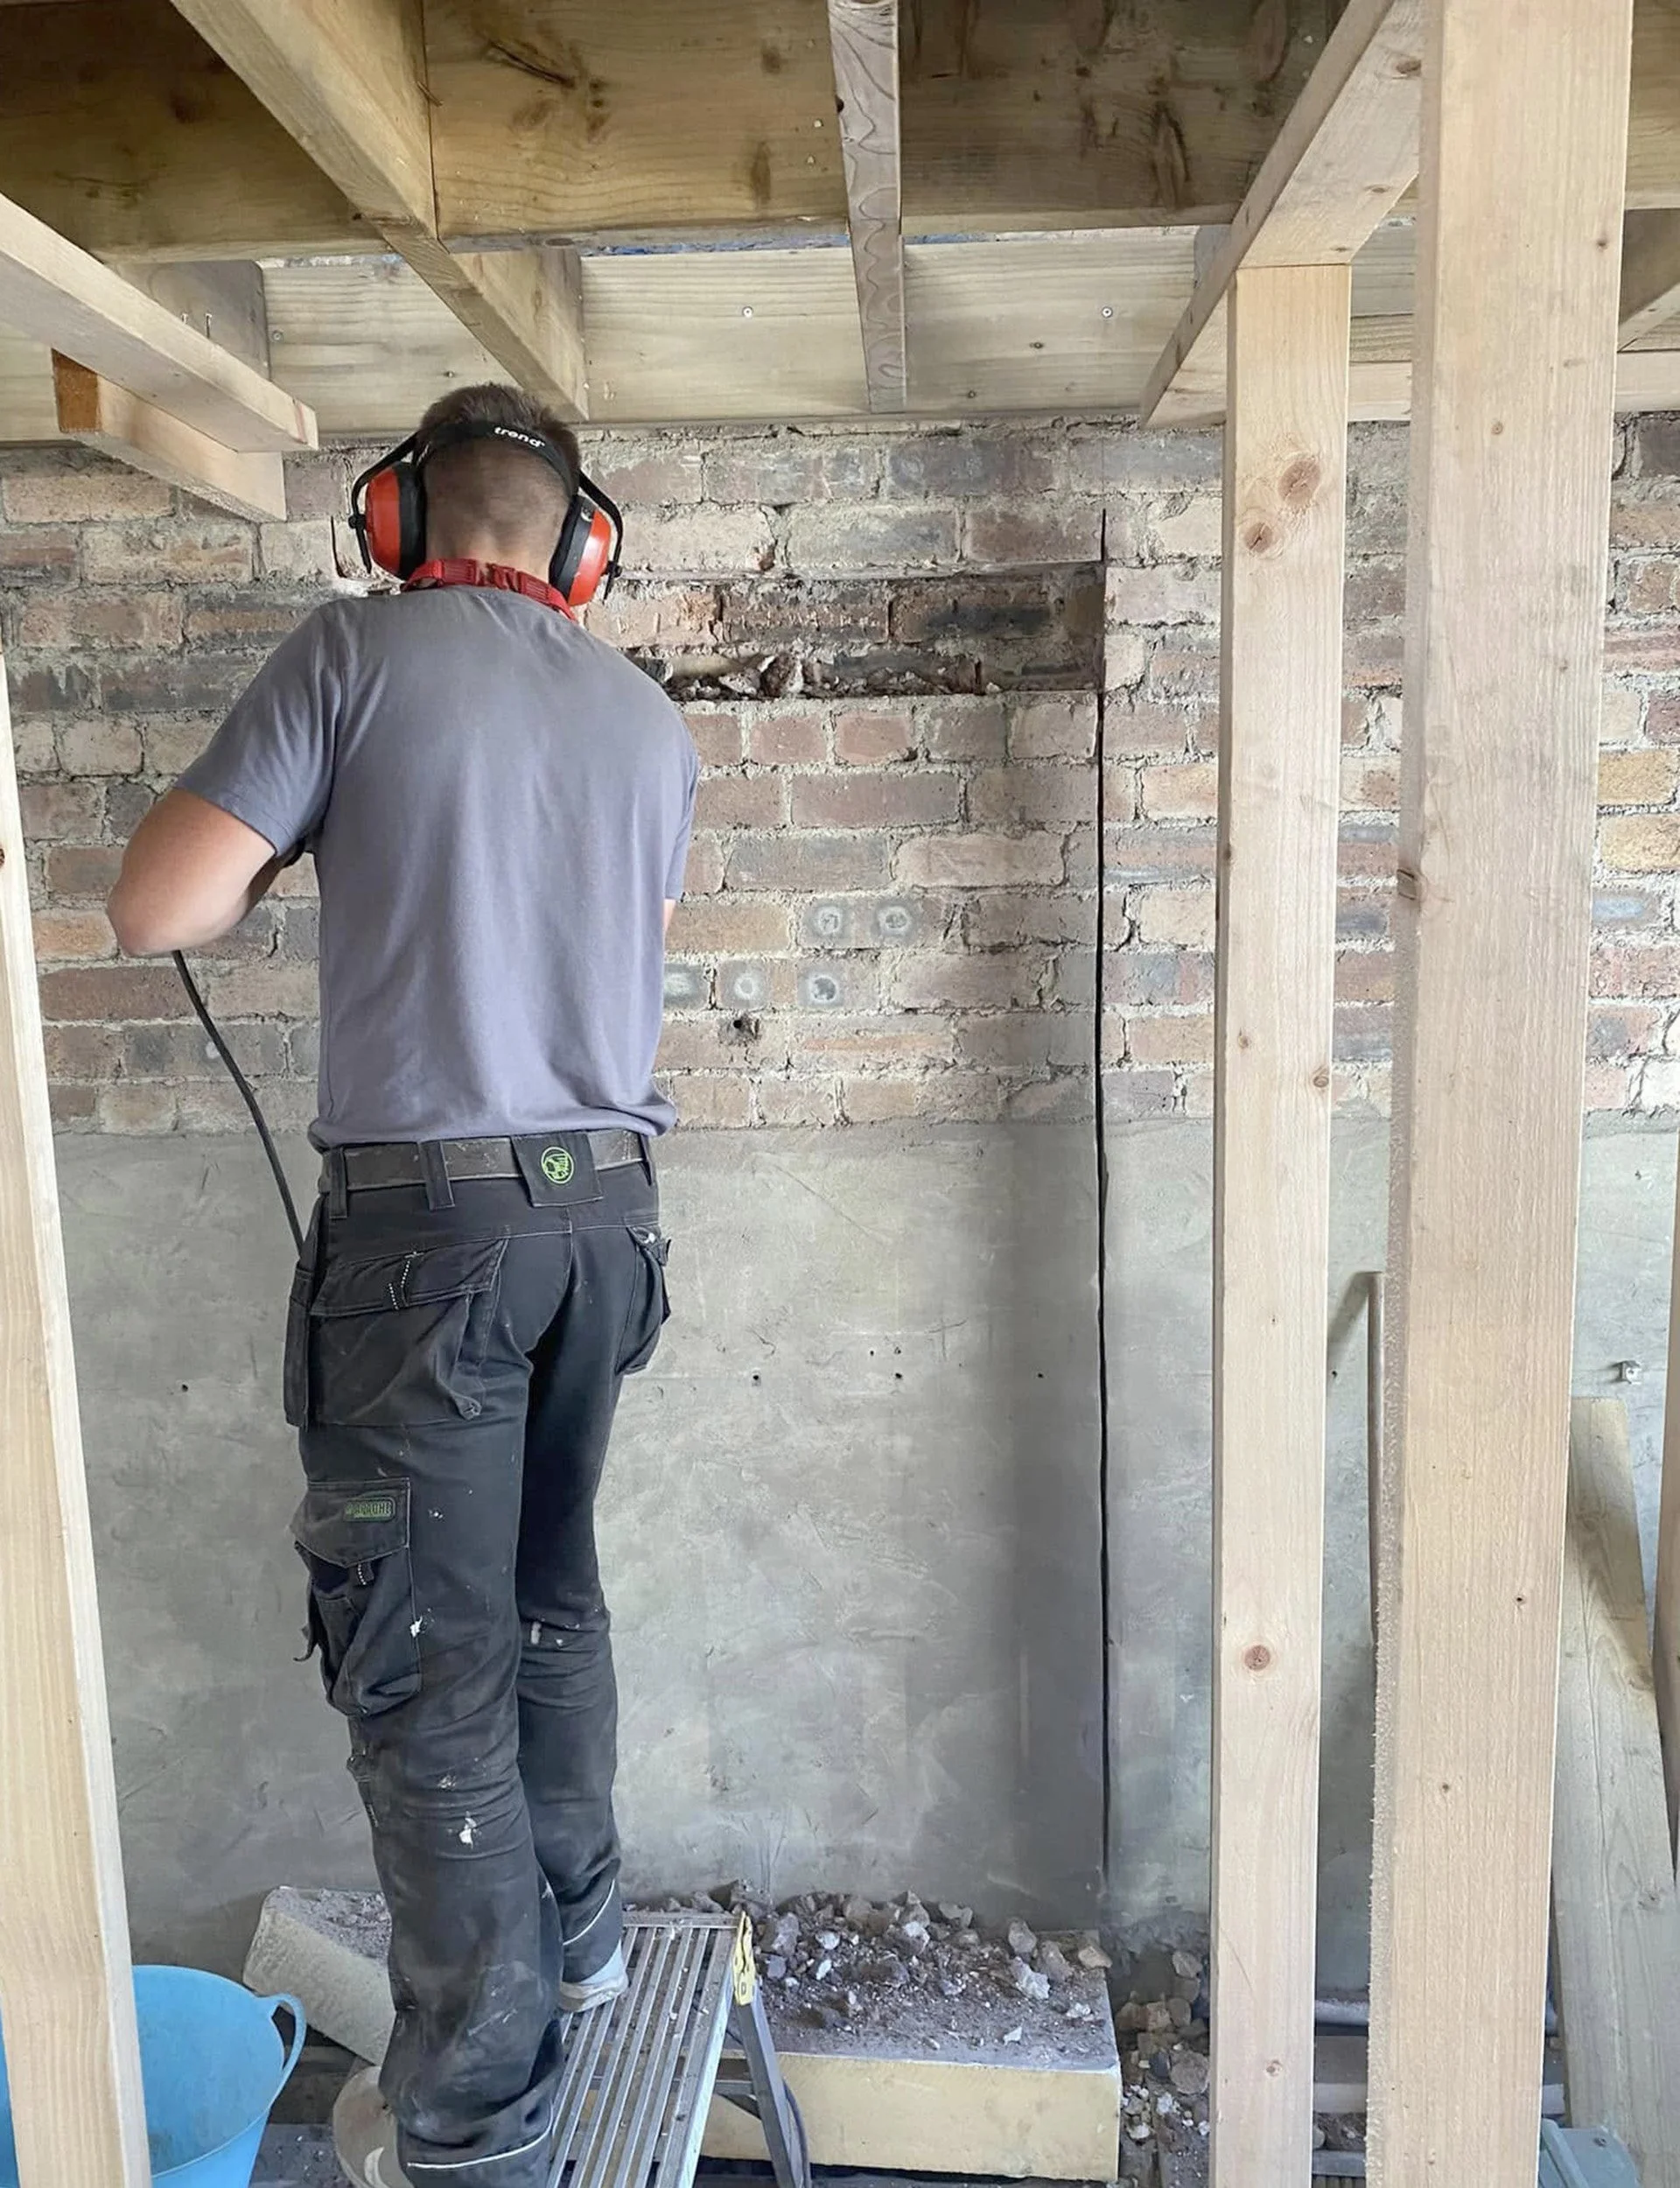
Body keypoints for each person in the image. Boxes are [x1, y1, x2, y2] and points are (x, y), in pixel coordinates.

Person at [108, 383, 700, 2188]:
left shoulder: (354, 656)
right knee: (544, 1593)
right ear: (579, 550)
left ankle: (472, 2123)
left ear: (397, 520)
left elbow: (158, 906)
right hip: (604, 1226)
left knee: (425, 1669)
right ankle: (582, 1935)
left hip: (426, 1245)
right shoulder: (649, 722)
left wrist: (300, 828)